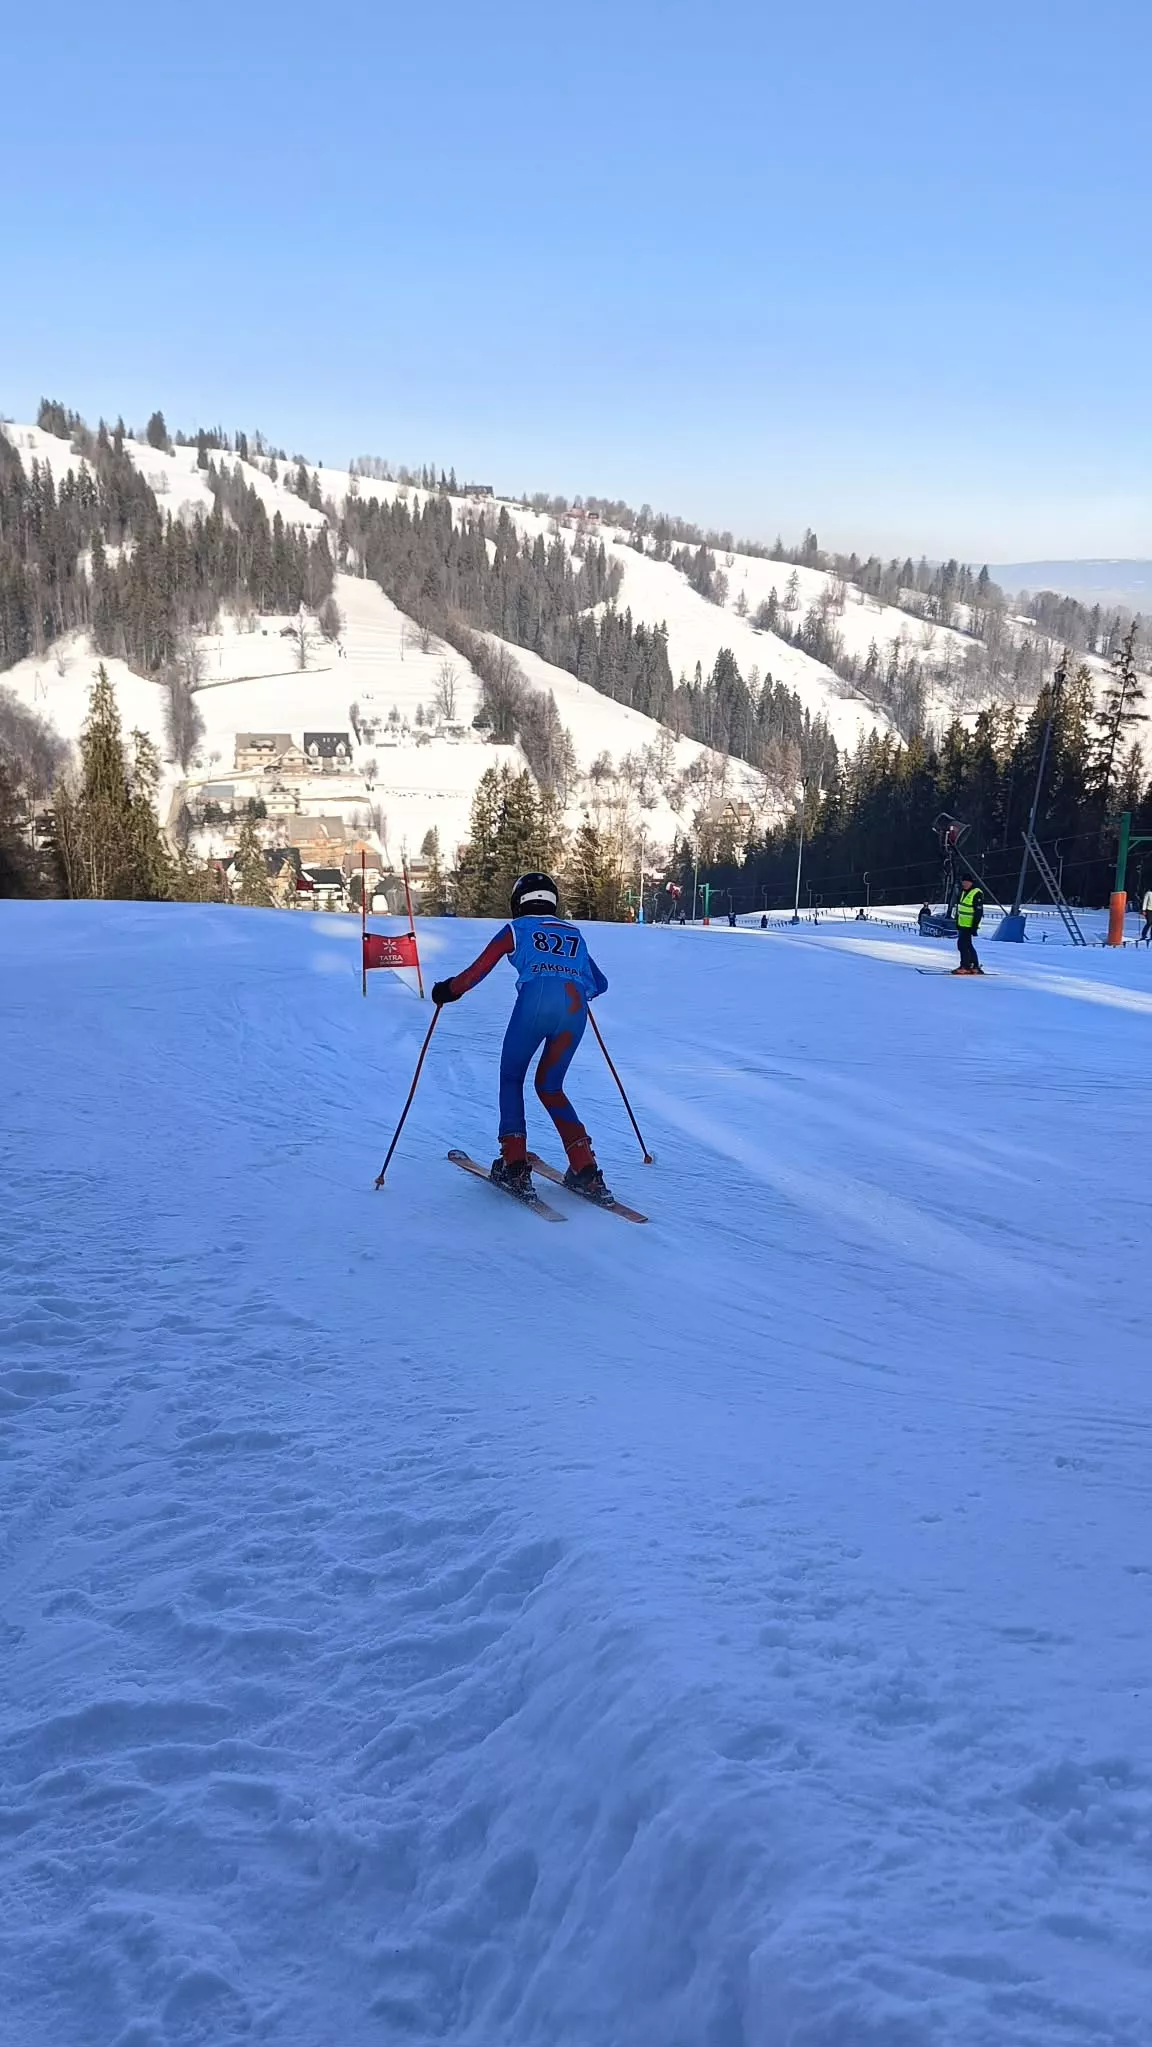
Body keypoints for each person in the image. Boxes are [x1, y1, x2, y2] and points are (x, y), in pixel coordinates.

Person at [431, 872, 612, 1203]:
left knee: (512, 1078)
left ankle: (514, 1165)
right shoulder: (573, 933)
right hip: (574, 1010)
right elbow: (599, 983)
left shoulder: (516, 929)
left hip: (535, 1005)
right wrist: (570, 982)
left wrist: (447, 990)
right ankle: (585, 1167)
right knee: (551, 1086)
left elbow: (476, 972)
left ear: (518, 902)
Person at [955, 878, 984, 974]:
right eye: (963, 882)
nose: (965, 884)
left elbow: (978, 912)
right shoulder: (963, 892)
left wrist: (974, 926)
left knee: (962, 944)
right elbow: (960, 908)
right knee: (967, 944)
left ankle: (965, 965)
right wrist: (957, 922)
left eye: (967, 882)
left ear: (971, 883)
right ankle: (974, 965)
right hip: (962, 923)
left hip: (969, 924)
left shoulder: (976, 893)